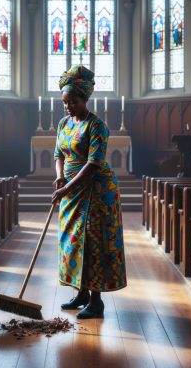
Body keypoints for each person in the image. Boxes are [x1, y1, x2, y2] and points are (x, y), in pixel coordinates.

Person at [52, 65, 127, 319]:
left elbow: (93, 163)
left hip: (98, 192)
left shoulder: (97, 126)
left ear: (84, 99)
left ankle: (96, 302)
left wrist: (67, 188)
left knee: (95, 244)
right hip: (71, 190)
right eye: (65, 102)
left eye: (72, 102)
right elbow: (58, 154)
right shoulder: (63, 123)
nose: (68, 106)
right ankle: (81, 294)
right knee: (73, 242)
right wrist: (60, 177)